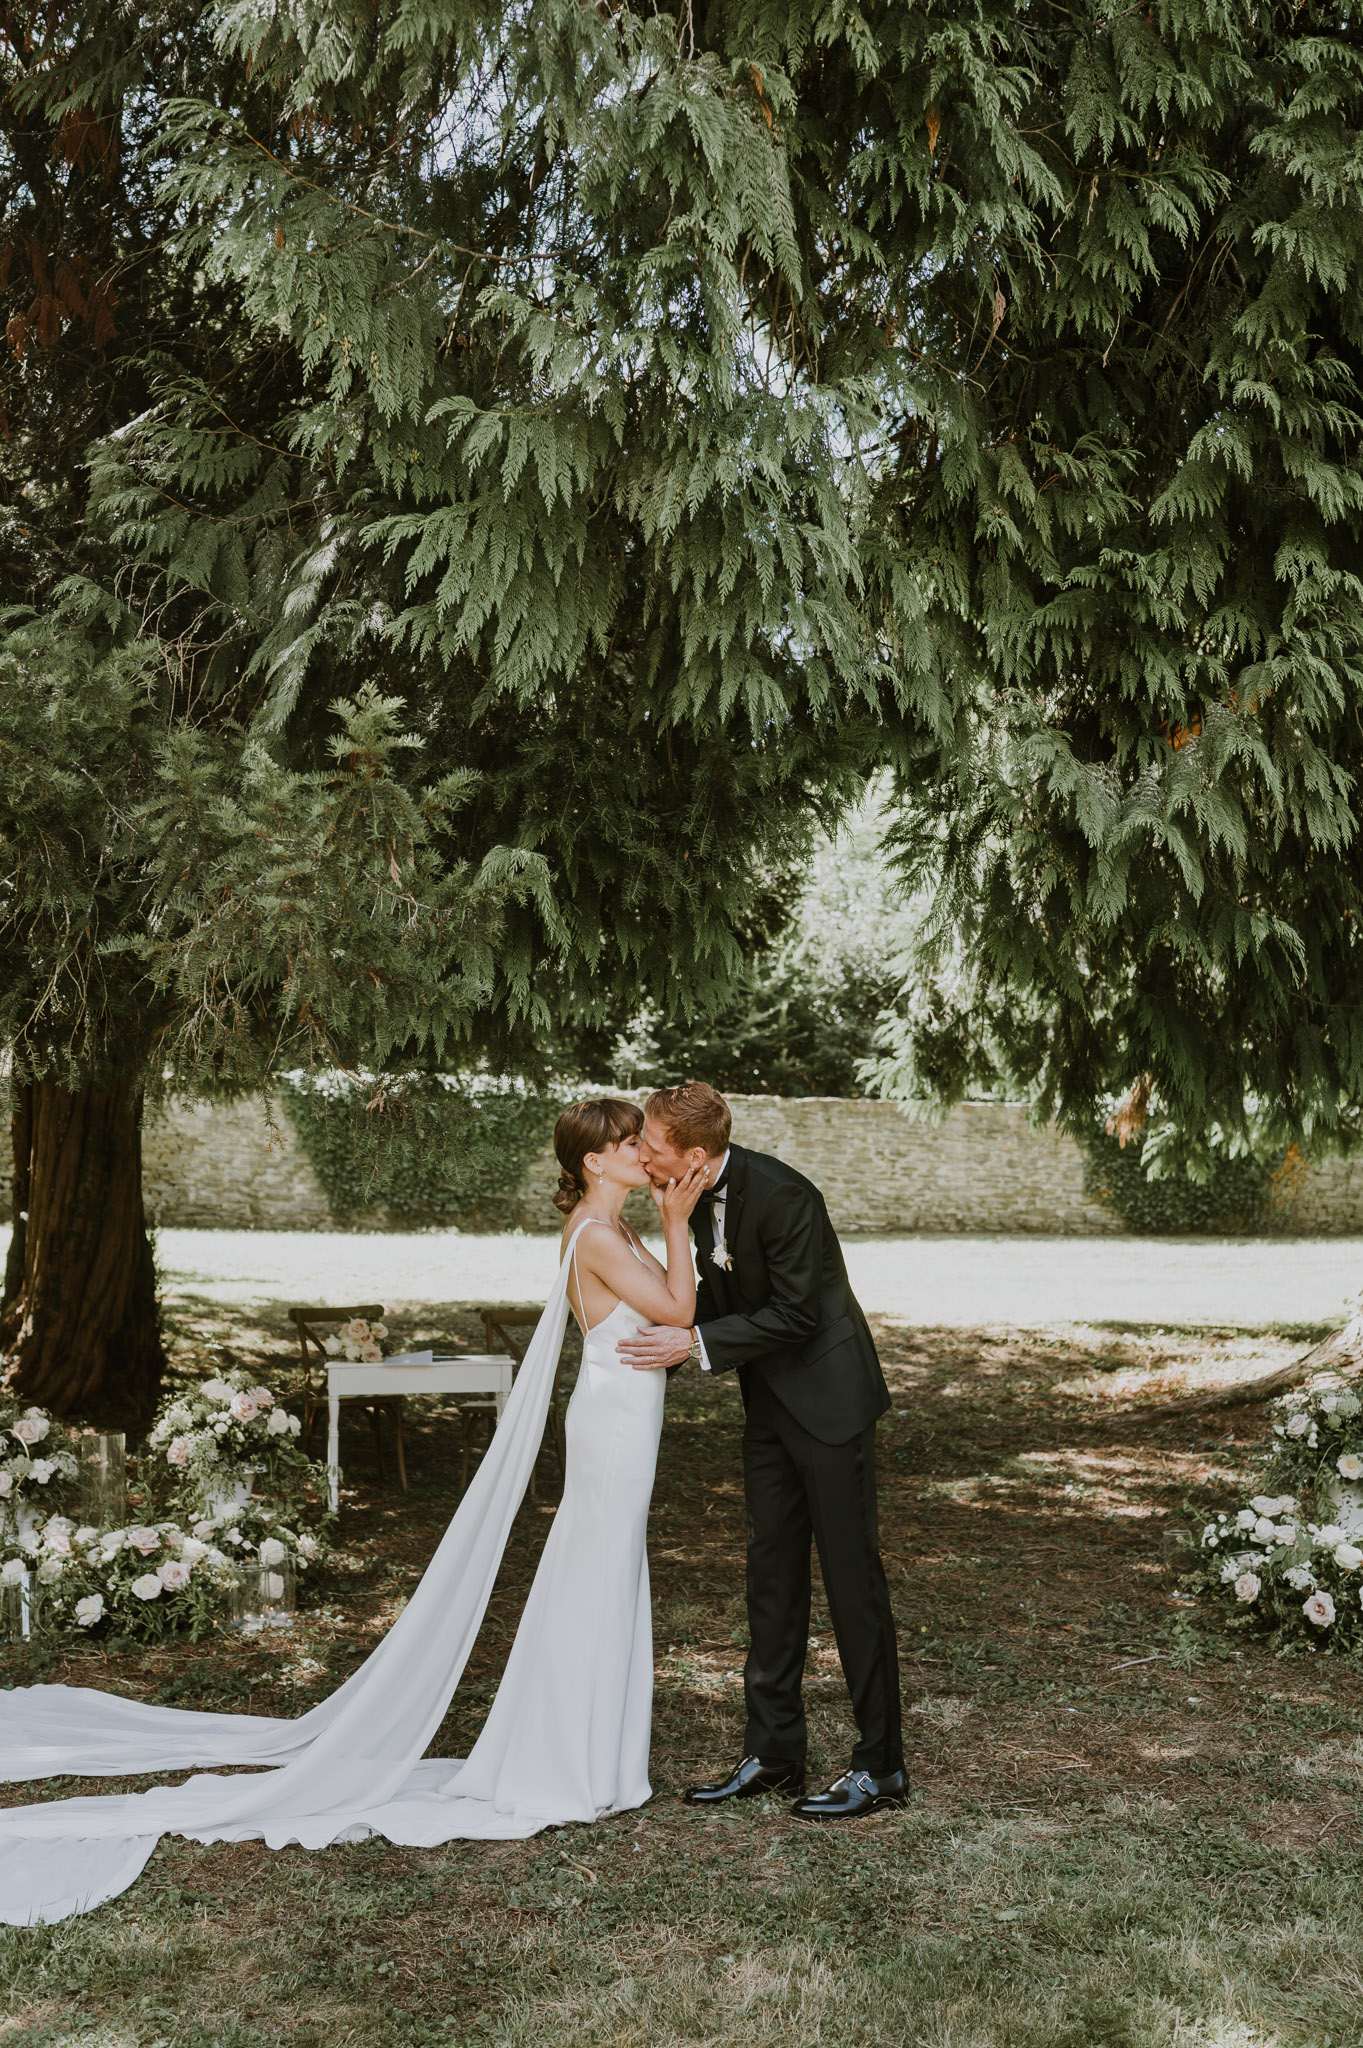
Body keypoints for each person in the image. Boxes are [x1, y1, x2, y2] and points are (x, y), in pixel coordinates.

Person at [0, 1098, 707, 1925]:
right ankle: (570, 1762)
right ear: (593, 1161)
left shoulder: (611, 1228)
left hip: (625, 1415)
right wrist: (679, 1222)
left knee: (605, 1570)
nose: (641, 1154)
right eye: (629, 1144)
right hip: (614, 1422)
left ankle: (594, 1755)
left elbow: (669, 1311)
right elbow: (679, 1312)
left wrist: (662, 1226)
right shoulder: (595, 1232)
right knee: (597, 1569)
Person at [623, 1080, 907, 1820]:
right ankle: (773, 1754)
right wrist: (674, 1230)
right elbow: (703, 1298)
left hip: (831, 1406)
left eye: (650, 1145)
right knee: (771, 1578)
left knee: (852, 1584)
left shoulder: (785, 1196)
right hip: (768, 1410)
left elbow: (795, 1312)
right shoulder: (685, 1198)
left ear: (692, 1154)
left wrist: (691, 1343)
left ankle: (880, 1767)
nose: (640, 1153)